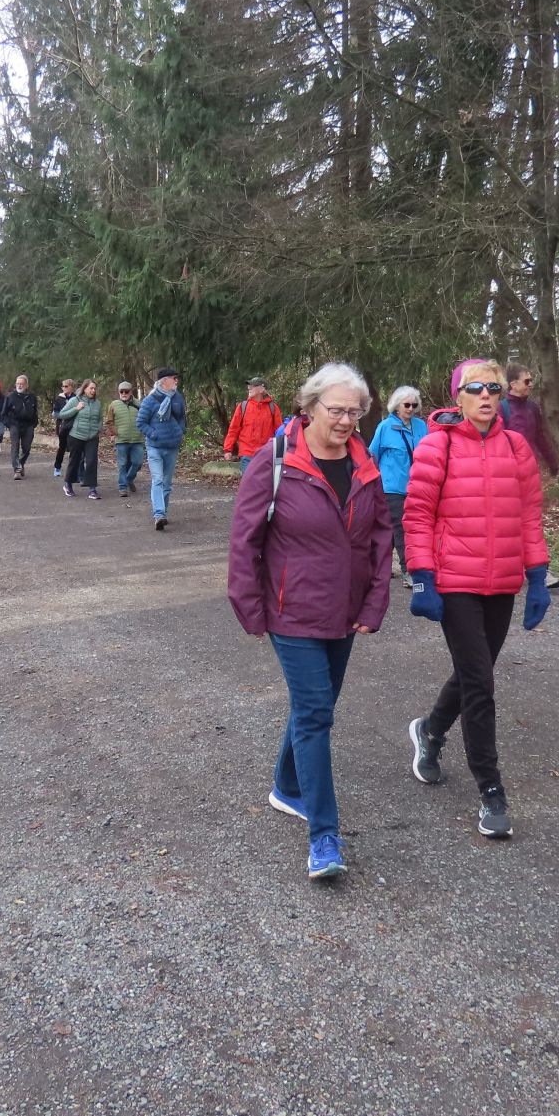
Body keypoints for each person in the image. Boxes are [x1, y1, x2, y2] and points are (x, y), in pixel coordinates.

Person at [228, 363, 392, 881]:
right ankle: (324, 835)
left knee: (312, 709)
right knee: (317, 712)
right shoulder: (275, 461)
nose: (345, 420)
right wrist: (250, 607)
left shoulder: (364, 461)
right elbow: (244, 541)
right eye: (336, 409)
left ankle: (286, 787)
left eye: (355, 412)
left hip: (345, 610)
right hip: (292, 609)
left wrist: (375, 602)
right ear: (309, 406)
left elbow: (381, 537)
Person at [402, 359, 552, 839]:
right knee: (481, 683)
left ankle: (430, 730)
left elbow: (529, 516)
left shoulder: (516, 446)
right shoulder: (437, 445)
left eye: (493, 388)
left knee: (475, 672)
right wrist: (422, 577)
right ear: (458, 397)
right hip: (455, 582)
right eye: (475, 388)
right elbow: (417, 515)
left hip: (503, 581)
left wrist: (538, 575)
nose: (486, 395)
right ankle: (491, 790)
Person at [502, 363, 559, 588]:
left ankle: (540, 571)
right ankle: (509, 566)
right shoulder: (501, 409)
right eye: (527, 381)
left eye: (531, 380)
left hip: (530, 475)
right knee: (509, 524)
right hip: (506, 478)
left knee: (532, 523)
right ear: (513, 384)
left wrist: (552, 462)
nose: (531, 385)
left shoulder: (532, 408)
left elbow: (540, 436)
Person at [366, 386, 427, 584]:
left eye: (414, 405)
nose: (410, 409)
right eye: (406, 404)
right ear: (397, 406)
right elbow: (372, 455)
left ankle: (377, 566)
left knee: (394, 529)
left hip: (417, 486)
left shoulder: (421, 426)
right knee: (401, 527)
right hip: (393, 487)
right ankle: (407, 570)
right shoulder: (385, 427)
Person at [137, 367, 187, 531]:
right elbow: (140, 423)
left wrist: (179, 432)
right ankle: (159, 514)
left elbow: (182, 418)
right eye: (174, 378)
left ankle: (163, 512)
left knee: (167, 483)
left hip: (172, 447)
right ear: (164, 381)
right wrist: (154, 434)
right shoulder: (150, 400)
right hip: (155, 447)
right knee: (157, 480)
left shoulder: (178, 398)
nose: (176, 381)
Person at [223, 377, 283, 473]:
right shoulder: (243, 406)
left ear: (262, 389)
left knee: (262, 482)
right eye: (249, 385)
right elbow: (233, 429)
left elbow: (279, 433)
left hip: (266, 455)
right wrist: (227, 449)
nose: (249, 388)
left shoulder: (273, 408)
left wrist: (280, 453)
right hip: (247, 454)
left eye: (253, 385)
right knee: (248, 481)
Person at [59, 379, 105, 500]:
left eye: (94, 388)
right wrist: (76, 409)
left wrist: (98, 428)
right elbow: (62, 414)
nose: (93, 391)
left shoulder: (97, 403)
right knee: (74, 460)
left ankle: (92, 489)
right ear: (84, 389)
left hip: (92, 437)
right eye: (91, 388)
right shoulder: (75, 400)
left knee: (91, 461)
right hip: (76, 435)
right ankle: (68, 484)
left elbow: (100, 418)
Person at [108, 381, 146, 497]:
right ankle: (122, 487)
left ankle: (129, 479)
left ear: (131, 392)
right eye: (121, 391)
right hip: (121, 440)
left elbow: (145, 418)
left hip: (137, 439)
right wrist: (114, 433)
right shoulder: (114, 404)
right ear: (118, 392)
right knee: (122, 464)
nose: (124, 393)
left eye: (126, 391)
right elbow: (109, 421)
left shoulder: (139, 404)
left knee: (138, 463)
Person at [6, 374, 40, 478]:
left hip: (28, 425)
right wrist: (9, 424)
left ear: (26, 385)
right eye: (18, 384)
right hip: (15, 425)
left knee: (27, 448)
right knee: (15, 446)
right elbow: (4, 413)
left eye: (22, 384)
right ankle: (17, 469)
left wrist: (34, 423)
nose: (19, 386)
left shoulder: (32, 397)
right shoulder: (10, 397)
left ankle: (21, 463)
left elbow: (35, 411)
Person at [51, 379, 78, 475]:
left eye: (66, 386)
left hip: (73, 426)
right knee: (62, 447)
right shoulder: (59, 398)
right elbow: (55, 413)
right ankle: (57, 467)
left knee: (74, 449)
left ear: (72, 387)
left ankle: (73, 470)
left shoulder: (76, 398)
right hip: (62, 426)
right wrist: (64, 415)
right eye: (63, 386)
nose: (64, 388)